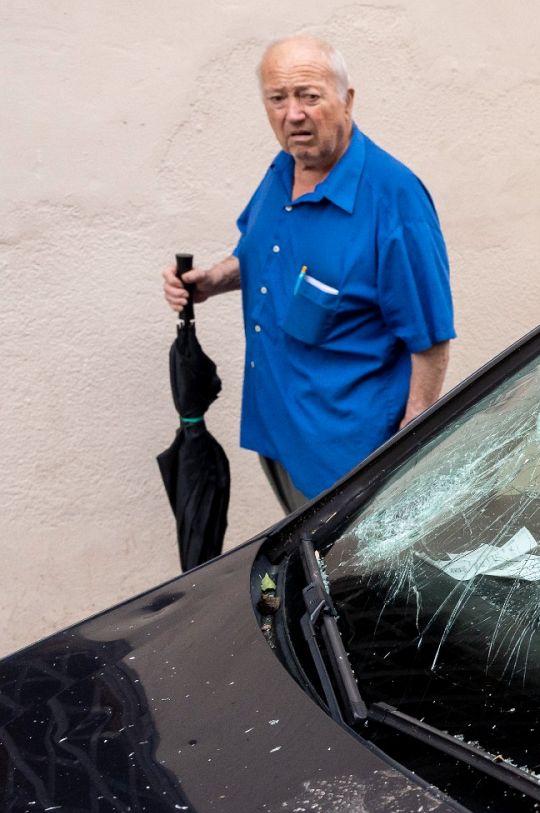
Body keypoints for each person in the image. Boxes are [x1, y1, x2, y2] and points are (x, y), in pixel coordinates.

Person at [161, 35, 453, 512]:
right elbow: (264, 257)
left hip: (350, 465)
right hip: (277, 432)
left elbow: (431, 339)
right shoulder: (282, 170)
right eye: (277, 99)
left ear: (346, 100)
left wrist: (407, 451)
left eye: (309, 96)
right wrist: (213, 281)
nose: (292, 114)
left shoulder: (393, 198)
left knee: (346, 584)